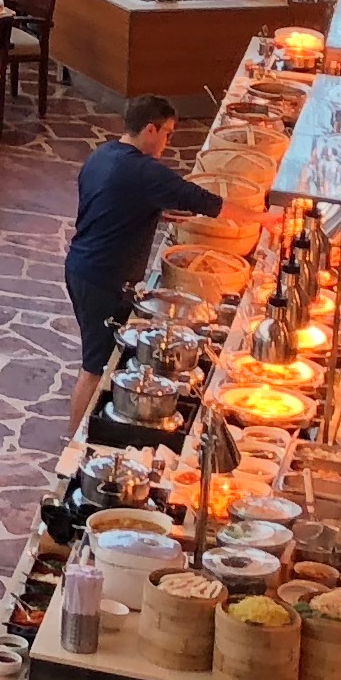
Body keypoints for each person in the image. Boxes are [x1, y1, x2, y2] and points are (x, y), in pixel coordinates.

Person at [65, 95, 225, 430]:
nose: (168, 142)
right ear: (150, 129)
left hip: (83, 267)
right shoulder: (143, 169)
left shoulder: (104, 155)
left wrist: (152, 213)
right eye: (167, 133)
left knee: (104, 358)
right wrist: (264, 219)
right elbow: (202, 200)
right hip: (102, 278)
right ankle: (74, 441)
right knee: (95, 367)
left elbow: (109, 202)